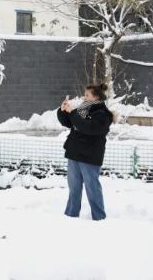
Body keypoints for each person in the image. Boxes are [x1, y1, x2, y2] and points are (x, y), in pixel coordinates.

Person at [57, 83, 113, 221]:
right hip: (74, 153)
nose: (84, 96)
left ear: (96, 97)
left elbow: (86, 127)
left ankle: (99, 217)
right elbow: (70, 122)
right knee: (74, 188)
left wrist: (73, 113)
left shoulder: (103, 114)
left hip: (90, 157)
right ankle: (70, 215)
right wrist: (63, 111)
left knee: (92, 188)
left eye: (87, 95)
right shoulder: (83, 108)